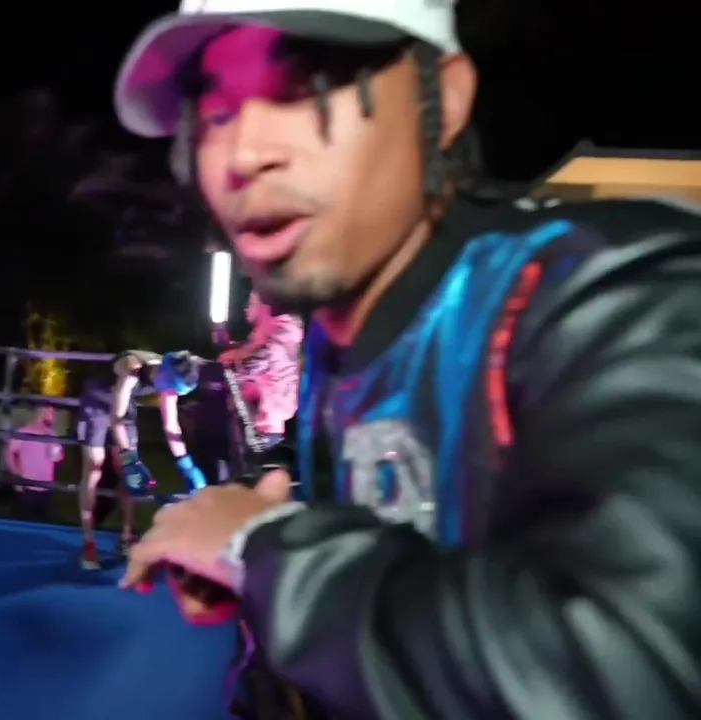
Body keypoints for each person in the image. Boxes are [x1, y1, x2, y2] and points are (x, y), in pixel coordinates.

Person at [113, 1, 701, 717]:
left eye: (305, 89)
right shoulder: (337, 337)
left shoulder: (619, 289)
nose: (243, 154)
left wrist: (266, 552)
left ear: (442, 98)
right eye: (217, 112)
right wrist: (268, 605)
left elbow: (625, 673)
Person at [75, 349, 204, 570]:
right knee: (94, 467)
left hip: (123, 406)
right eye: (170, 388)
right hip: (96, 403)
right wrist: (131, 459)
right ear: (163, 374)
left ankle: (126, 538)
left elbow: (171, 425)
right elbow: (115, 420)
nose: (169, 394)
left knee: (129, 476)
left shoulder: (171, 375)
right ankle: (89, 543)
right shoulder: (132, 368)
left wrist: (186, 464)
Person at [218, 292, 302, 448]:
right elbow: (254, 358)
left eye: (250, 303)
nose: (246, 308)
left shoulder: (281, 329)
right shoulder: (271, 330)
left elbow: (256, 359)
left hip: (264, 429)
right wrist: (230, 351)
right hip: (262, 424)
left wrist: (227, 355)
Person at [4, 405, 65, 522]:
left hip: (46, 487)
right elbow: (9, 452)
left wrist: (55, 448)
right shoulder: (24, 431)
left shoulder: (51, 434)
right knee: (23, 520)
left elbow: (57, 458)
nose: (53, 416)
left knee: (43, 520)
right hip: (27, 485)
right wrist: (16, 475)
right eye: (50, 412)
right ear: (41, 413)